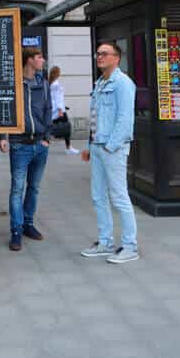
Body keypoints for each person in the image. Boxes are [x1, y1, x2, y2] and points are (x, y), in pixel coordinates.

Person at [81, 41, 139, 264]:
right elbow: (95, 116)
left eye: (104, 54)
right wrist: (90, 145)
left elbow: (125, 118)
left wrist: (110, 146)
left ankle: (130, 245)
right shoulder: (99, 83)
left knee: (119, 197)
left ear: (117, 58)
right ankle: (105, 242)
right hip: (97, 146)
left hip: (112, 148)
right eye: (98, 54)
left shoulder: (123, 83)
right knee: (98, 196)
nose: (99, 57)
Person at [0, 47, 54, 252]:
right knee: (17, 189)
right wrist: (3, 136)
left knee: (34, 187)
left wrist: (47, 138)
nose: (43, 60)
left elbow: (49, 111)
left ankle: (28, 225)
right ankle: (16, 231)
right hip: (18, 144)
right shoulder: (13, 84)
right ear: (29, 60)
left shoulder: (44, 85)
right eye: (39, 57)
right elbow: (4, 109)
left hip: (40, 144)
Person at [49, 65, 79, 155]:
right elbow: (58, 98)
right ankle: (68, 147)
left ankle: (68, 146)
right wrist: (61, 110)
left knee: (54, 125)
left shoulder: (50, 83)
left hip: (55, 109)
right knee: (67, 127)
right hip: (59, 110)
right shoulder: (56, 84)